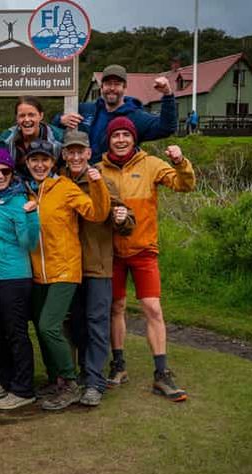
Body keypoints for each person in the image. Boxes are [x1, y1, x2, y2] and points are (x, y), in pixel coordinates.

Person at [100, 116, 196, 401]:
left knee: (153, 308)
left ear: (134, 138)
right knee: (116, 307)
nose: (120, 140)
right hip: (111, 253)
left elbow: (184, 185)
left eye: (125, 135)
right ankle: (118, 365)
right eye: (115, 135)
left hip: (144, 250)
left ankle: (161, 373)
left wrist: (180, 162)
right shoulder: (99, 170)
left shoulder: (151, 164)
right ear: (109, 139)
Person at [26, 140, 111, 410]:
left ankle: (71, 383)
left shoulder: (64, 187)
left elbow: (97, 213)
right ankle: (56, 379)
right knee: (41, 328)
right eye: (34, 160)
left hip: (65, 270)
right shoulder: (28, 191)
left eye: (45, 160)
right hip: (39, 273)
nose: (40, 165)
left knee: (48, 326)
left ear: (53, 162)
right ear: (27, 163)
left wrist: (97, 184)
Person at [60, 130, 134, 407]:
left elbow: (125, 219)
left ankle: (94, 382)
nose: (76, 157)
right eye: (71, 152)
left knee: (96, 324)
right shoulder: (59, 182)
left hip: (97, 266)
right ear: (64, 155)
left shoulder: (101, 180)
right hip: (67, 267)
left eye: (80, 152)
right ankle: (75, 376)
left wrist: (123, 218)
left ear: (89, 153)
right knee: (73, 324)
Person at [0, 148, 40, 410]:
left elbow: (29, 243)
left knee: (15, 333)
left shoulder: (19, 201)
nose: (0, 176)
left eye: (5, 171)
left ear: (12, 173)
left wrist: (31, 216)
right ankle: (6, 380)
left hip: (14, 277)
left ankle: (24, 389)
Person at [55, 64, 177, 163]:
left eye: (117, 84)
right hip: (80, 174)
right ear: (101, 87)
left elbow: (167, 128)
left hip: (114, 178)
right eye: (108, 84)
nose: (112, 88)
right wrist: (60, 120)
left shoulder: (137, 117)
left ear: (125, 87)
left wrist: (167, 94)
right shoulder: (85, 109)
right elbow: (54, 128)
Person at [0, 95, 64, 180]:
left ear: (41, 116)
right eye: (22, 115)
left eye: (31, 115)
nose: (27, 119)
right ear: (17, 118)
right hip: (16, 184)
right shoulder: (5, 141)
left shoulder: (58, 139)